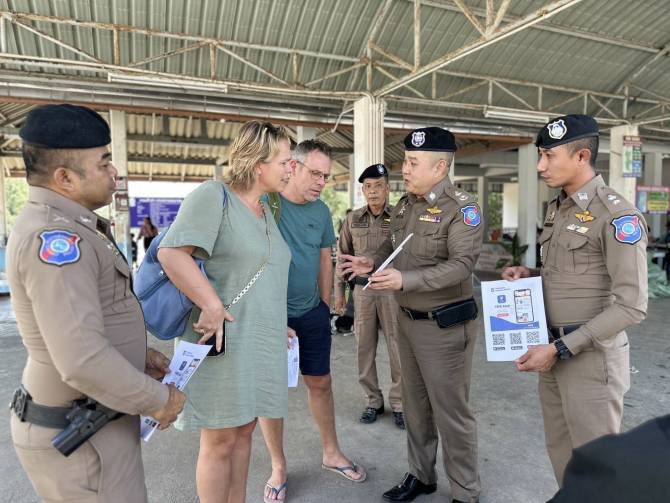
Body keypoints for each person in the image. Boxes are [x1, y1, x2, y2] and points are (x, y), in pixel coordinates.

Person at [7, 104, 185, 502]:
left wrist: (136, 357)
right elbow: (81, 358)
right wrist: (160, 401)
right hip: (82, 438)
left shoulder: (73, 226)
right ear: (65, 178)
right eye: (104, 163)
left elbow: (83, 326)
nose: (114, 172)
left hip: (95, 422)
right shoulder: (55, 241)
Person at [501, 114, 648, 486]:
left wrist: (562, 348)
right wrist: (529, 274)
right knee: (562, 455)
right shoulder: (558, 208)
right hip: (552, 351)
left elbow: (632, 305)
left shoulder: (617, 215)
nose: (540, 165)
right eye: (540, 155)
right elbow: (568, 274)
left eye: (549, 156)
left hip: (590, 362)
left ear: (582, 157)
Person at [339, 127, 483, 503]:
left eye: (413, 162)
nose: (404, 169)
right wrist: (372, 261)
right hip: (407, 320)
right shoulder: (406, 205)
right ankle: (421, 475)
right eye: (405, 161)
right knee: (416, 407)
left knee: (451, 412)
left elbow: (462, 266)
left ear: (440, 167)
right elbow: (395, 244)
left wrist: (406, 279)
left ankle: (465, 491)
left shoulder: (462, 208)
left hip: (444, 327)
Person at [156, 121, 293, 503]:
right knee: (219, 439)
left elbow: (260, 274)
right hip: (221, 339)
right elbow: (171, 253)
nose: (291, 168)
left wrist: (275, 322)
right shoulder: (213, 196)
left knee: (245, 431)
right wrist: (212, 303)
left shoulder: (267, 209)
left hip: (258, 339)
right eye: (285, 161)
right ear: (258, 163)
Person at [260, 139, 367, 503]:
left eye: (326, 176)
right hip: (270, 315)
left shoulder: (321, 211)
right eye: (316, 173)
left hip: (311, 312)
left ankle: (331, 452)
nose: (322, 182)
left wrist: (324, 305)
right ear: (293, 167)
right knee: (272, 392)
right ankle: (278, 465)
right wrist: (266, 315)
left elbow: (325, 258)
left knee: (320, 382)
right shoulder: (266, 204)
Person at [336, 163, 404, 429]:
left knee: (398, 348)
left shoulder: (399, 217)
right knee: (364, 348)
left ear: (387, 189)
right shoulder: (353, 219)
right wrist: (339, 294)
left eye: (378, 186)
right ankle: (372, 401)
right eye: (368, 186)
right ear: (362, 190)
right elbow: (342, 258)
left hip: (391, 292)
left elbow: (409, 253)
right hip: (362, 292)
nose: (373, 191)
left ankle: (400, 403)